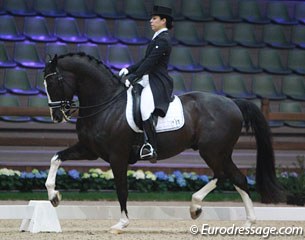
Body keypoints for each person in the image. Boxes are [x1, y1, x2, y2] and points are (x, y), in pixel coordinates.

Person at [119, 5, 174, 163]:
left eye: (154, 18)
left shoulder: (163, 40)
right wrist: (128, 70)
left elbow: (150, 63)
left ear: (163, 21)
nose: (151, 21)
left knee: (145, 109)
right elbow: (145, 61)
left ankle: (151, 146)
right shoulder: (157, 38)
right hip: (148, 79)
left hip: (157, 82)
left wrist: (134, 76)